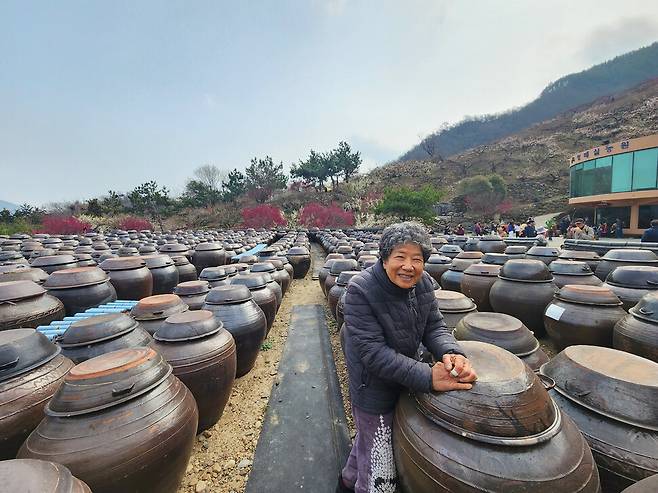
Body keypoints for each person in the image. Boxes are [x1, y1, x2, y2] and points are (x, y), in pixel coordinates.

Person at [338, 222, 477, 493]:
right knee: (380, 464)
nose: (408, 266)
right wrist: (428, 376)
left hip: (407, 376)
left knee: (368, 443)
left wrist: (452, 352)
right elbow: (373, 354)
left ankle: (345, 482)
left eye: (417, 259)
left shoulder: (424, 283)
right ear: (385, 257)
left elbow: (434, 326)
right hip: (373, 388)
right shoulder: (360, 290)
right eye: (400, 257)